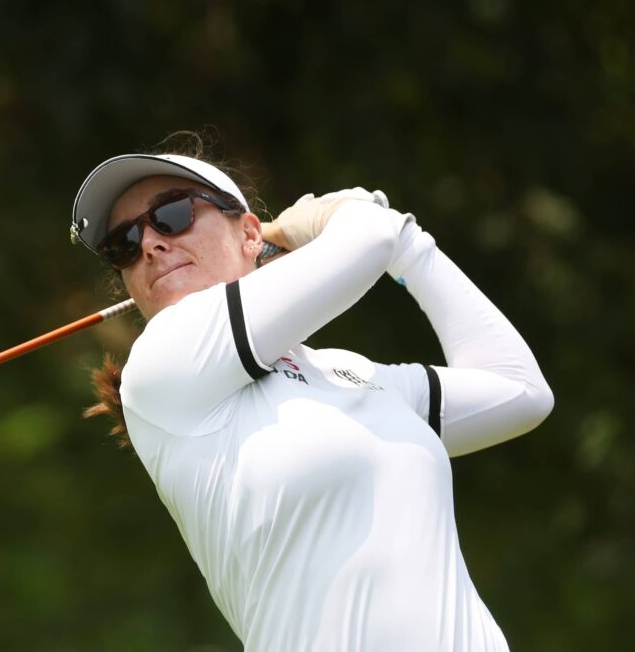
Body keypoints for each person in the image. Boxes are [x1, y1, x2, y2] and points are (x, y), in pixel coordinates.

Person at [70, 143, 554, 651]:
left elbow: (520, 392)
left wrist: (412, 245)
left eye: (172, 215)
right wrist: (349, 216)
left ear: (249, 233)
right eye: (123, 244)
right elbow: (369, 238)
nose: (149, 244)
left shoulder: (345, 373)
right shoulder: (161, 361)